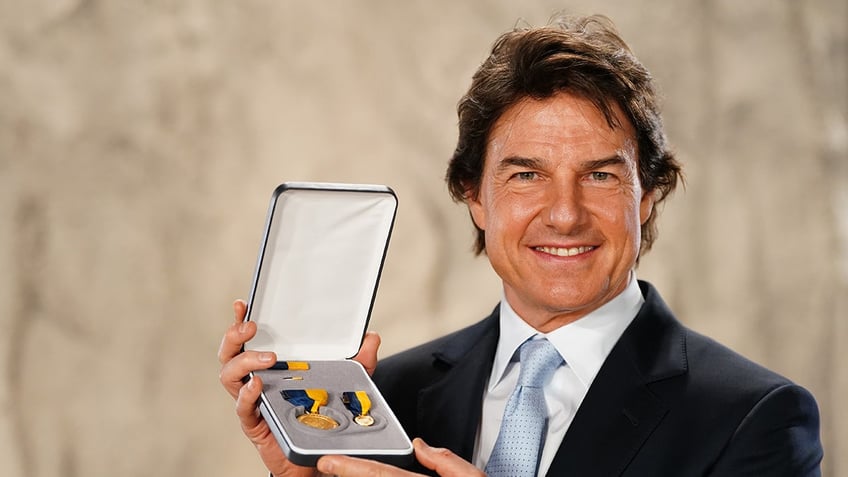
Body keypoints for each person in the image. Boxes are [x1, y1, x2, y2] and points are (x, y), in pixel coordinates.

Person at [218, 14, 823, 477]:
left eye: (602, 175)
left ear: (647, 198)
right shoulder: (387, 403)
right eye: (526, 174)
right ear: (473, 196)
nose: (564, 215)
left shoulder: (756, 418)